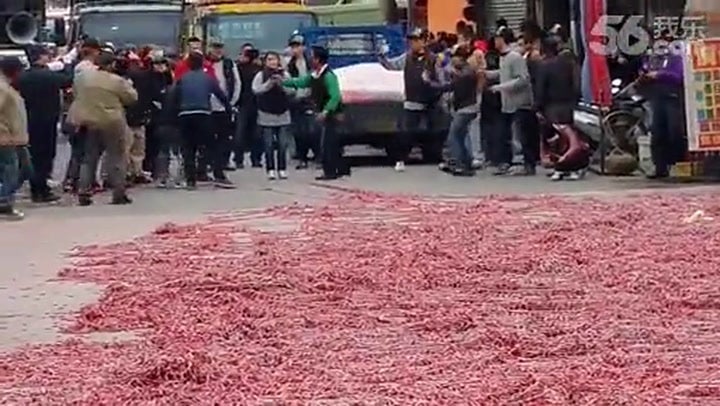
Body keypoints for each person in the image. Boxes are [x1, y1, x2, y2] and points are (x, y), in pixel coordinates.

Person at [67, 51, 137, 206]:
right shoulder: (116, 81)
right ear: (112, 64)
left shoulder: (82, 78)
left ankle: (84, 192)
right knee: (117, 156)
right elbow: (131, 98)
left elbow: (76, 94)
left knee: (89, 158)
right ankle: (118, 192)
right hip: (112, 121)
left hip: (89, 120)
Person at [379, 27, 440, 172]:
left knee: (436, 131)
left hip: (432, 101)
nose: (413, 43)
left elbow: (442, 79)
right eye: (411, 41)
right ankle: (401, 159)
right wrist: (382, 56)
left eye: (416, 40)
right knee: (406, 132)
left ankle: (438, 157)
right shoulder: (407, 57)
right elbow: (391, 65)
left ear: (424, 41)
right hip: (412, 101)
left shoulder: (433, 59)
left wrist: (431, 83)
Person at [17, 45, 72, 203]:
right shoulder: (49, 76)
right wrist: (66, 63)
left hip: (29, 119)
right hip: (48, 120)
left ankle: (35, 187)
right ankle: (42, 188)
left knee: (33, 154)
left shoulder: (23, 77)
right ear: (41, 57)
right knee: (46, 155)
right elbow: (68, 79)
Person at [283, 45, 347, 180]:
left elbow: (335, 96)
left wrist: (326, 111)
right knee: (328, 143)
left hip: (332, 114)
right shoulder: (314, 75)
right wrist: (284, 82)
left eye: (311, 56)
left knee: (329, 144)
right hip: (324, 113)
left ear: (317, 59)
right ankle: (338, 169)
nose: (309, 58)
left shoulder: (328, 76)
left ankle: (331, 171)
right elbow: (301, 82)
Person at [176, 51, 232, 189]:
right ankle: (218, 174)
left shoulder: (182, 79)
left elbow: (176, 96)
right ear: (202, 63)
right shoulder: (208, 79)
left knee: (188, 148)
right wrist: (228, 109)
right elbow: (220, 95)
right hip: (203, 113)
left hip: (185, 114)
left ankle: (190, 180)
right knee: (211, 146)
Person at [486, 26, 535, 175]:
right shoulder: (504, 57)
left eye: (497, 38)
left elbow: (523, 79)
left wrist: (500, 87)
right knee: (504, 134)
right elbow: (504, 73)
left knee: (523, 135)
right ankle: (505, 162)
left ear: (502, 39)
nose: (495, 41)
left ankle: (528, 164)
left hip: (520, 103)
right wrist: (488, 74)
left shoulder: (515, 57)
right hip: (507, 103)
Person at [424, 45, 479, 176]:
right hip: (467, 107)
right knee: (460, 136)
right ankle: (466, 163)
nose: (452, 60)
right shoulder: (466, 71)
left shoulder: (465, 74)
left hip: (465, 108)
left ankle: (458, 163)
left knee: (454, 136)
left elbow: (449, 87)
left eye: (454, 57)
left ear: (461, 58)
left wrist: (429, 82)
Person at [534, 36, 583, 180]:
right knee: (569, 138)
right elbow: (575, 84)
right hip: (567, 105)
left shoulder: (544, 66)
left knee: (555, 139)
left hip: (552, 107)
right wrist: (574, 100)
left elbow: (540, 89)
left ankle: (559, 168)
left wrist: (537, 107)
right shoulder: (567, 64)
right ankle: (573, 168)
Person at [640, 32, 686, 178]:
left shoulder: (676, 58)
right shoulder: (653, 58)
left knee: (674, 131)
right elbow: (644, 69)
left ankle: (677, 163)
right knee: (657, 132)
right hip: (657, 98)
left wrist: (659, 75)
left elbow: (678, 76)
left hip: (672, 97)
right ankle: (660, 167)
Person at [253, 51, 294, 180]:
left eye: (274, 59)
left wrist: (282, 84)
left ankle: (282, 168)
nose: (272, 62)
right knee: (268, 145)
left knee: (282, 144)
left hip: (283, 113)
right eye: (269, 59)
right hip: (266, 114)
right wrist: (269, 84)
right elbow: (256, 90)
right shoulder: (261, 75)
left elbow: (292, 90)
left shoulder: (285, 74)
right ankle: (270, 169)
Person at [0, 57, 29, 220]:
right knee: (12, 170)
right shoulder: (2, 88)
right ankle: (4, 202)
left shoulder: (7, 87)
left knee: (20, 169)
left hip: (13, 137)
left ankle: (4, 198)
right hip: (5, 137)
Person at [206, 41, 241, 173]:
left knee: (225, 136)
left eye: (220, 48)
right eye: (215, 48)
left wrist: (232, 102)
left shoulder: (229, 64)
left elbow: (237, 83)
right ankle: (209, 162)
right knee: (209, 136)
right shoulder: (204, 63)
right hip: (208, 106)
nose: (218, 51)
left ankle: (224, 161)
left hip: (225, 106)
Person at [285, 34, 317, 170]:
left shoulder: (311, 62)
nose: (295, 49)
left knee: (312, 130)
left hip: (310, 100)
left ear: (304, 47)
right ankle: (302, 158)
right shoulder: (290, 65)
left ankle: (318, 156)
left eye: (298, 46)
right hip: (296, 100)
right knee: (298, 131)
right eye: (293, 47)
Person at [123, 54, 154, 184]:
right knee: (136, 148)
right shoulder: (143, 78)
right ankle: (135, 172)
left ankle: (131, 172)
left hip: (129, 117)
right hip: (137, 117)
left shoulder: (126, 79)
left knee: (129, 148)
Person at [235, 45, 263, 168]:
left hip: (258, 104)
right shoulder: (238, 68)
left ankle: (256, 158)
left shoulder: (259, 69)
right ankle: (238, 159)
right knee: (240, 133)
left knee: (257, 134)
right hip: (243, 104)